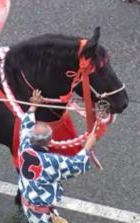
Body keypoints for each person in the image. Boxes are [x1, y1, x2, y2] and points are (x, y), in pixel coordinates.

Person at [18, 89, 97, 223]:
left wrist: (34, 105)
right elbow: (76, 165)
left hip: (28, 204)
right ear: (50, 140)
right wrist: (88, 145)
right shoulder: (52, 162)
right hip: (42, 214)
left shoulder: (24, 146)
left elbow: (26, 124)